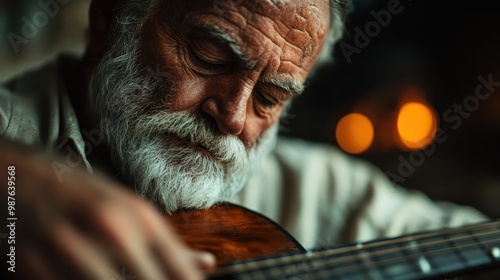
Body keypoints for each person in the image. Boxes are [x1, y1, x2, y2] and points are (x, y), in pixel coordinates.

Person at [0, 0, 487, 279]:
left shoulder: (318, 188)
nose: (233, 117)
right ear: (111, 17)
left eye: (271, 96)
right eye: (210, 58)